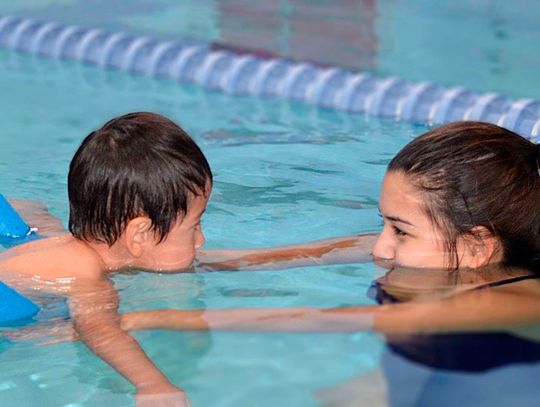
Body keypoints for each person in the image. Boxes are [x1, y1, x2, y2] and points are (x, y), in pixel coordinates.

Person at [96, 121, 540, 405]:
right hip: (418, 377)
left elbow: (319, 318)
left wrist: (154, 318)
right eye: (383, 224)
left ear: (478, 246)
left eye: (400, 231)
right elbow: (278, 256)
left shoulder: (524, 299)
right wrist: (139, 260)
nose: (380, 248)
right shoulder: (433, 250)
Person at [0, 111, 214, 407]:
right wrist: (152, 383)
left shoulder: (60, 245)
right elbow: (100, 329)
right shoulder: (88, 276)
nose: (201, 240)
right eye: (194, 226)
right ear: (139, 235)